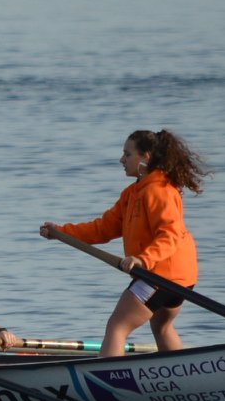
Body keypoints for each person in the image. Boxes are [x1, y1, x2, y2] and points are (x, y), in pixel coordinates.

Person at [41, 129, 207, 356]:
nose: (121, 160)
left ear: (145, 157)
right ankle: (184, 378)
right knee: (161, 326)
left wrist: (142, 259)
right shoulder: (133, 193)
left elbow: (170, 235)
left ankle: (105, 383)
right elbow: (103, 229)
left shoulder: (160, 191)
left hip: (161, 275)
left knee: (117, 326)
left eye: (127, 154)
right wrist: (61, 232)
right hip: (177, 276)